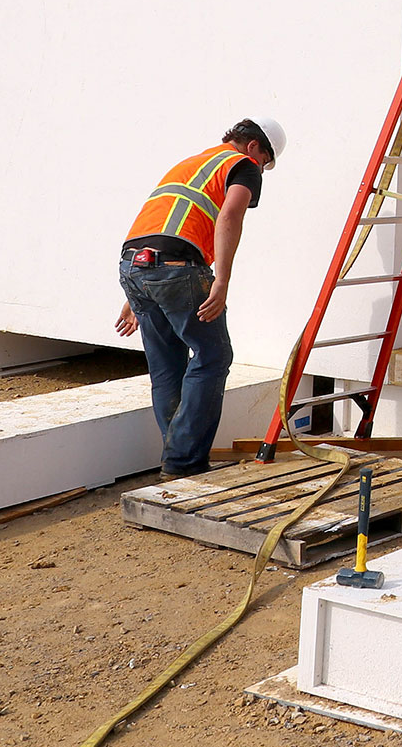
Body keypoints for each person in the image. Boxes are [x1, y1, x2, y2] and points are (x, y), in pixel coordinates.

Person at [114, 116, 285, 477]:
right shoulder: (243, 165)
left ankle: (175, 457)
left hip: (134, 266)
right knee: (212, 355)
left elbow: (158, 226)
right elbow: (230, 217)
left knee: (166, 367)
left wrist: (137, 293)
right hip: (178, 268)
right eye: (266, 162)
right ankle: (184, 462)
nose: (262, 171)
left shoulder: (191, 163)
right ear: (254, 147)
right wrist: (221, 280)